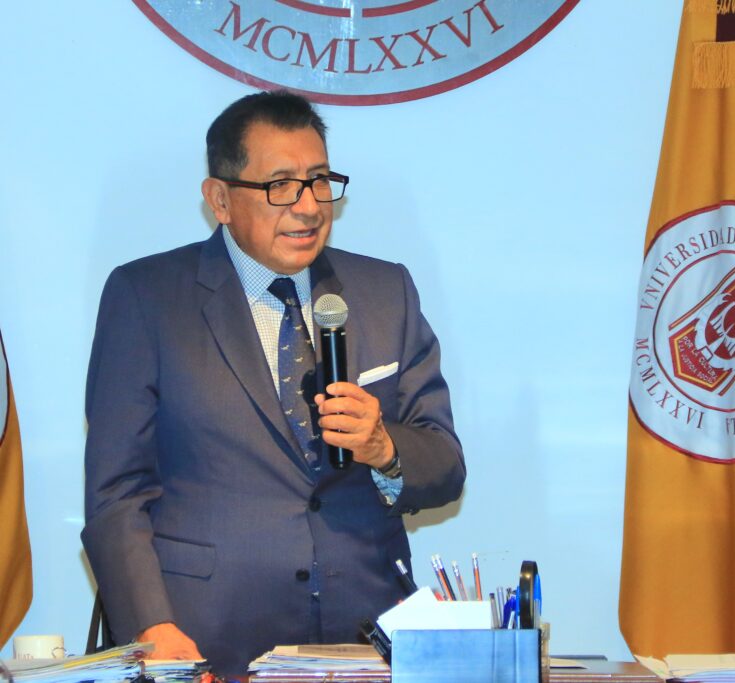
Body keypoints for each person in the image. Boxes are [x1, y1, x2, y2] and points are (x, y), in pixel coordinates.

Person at [81, 91, 465, 674]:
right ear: (220, 199)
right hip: (205, 639)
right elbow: (117, 492)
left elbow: (445, 466)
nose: (308, 207)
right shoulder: (148, 297)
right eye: (281, 185)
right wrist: (150, 626)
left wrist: (385, 448)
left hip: (363, 639)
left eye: (319, 181)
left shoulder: (386, 293)